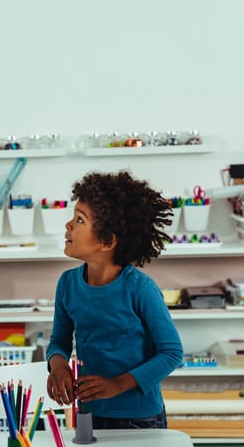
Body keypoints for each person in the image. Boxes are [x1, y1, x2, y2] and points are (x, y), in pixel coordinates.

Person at [44, 170, 182, 428]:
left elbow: (171, 353)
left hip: (140, 416)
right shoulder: (67, 284)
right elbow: (58, 341)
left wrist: (118, 384)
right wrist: (58, 365)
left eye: (80, 220)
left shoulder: (140, 289)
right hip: (89, 410)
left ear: (107, 241)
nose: (68, 225)